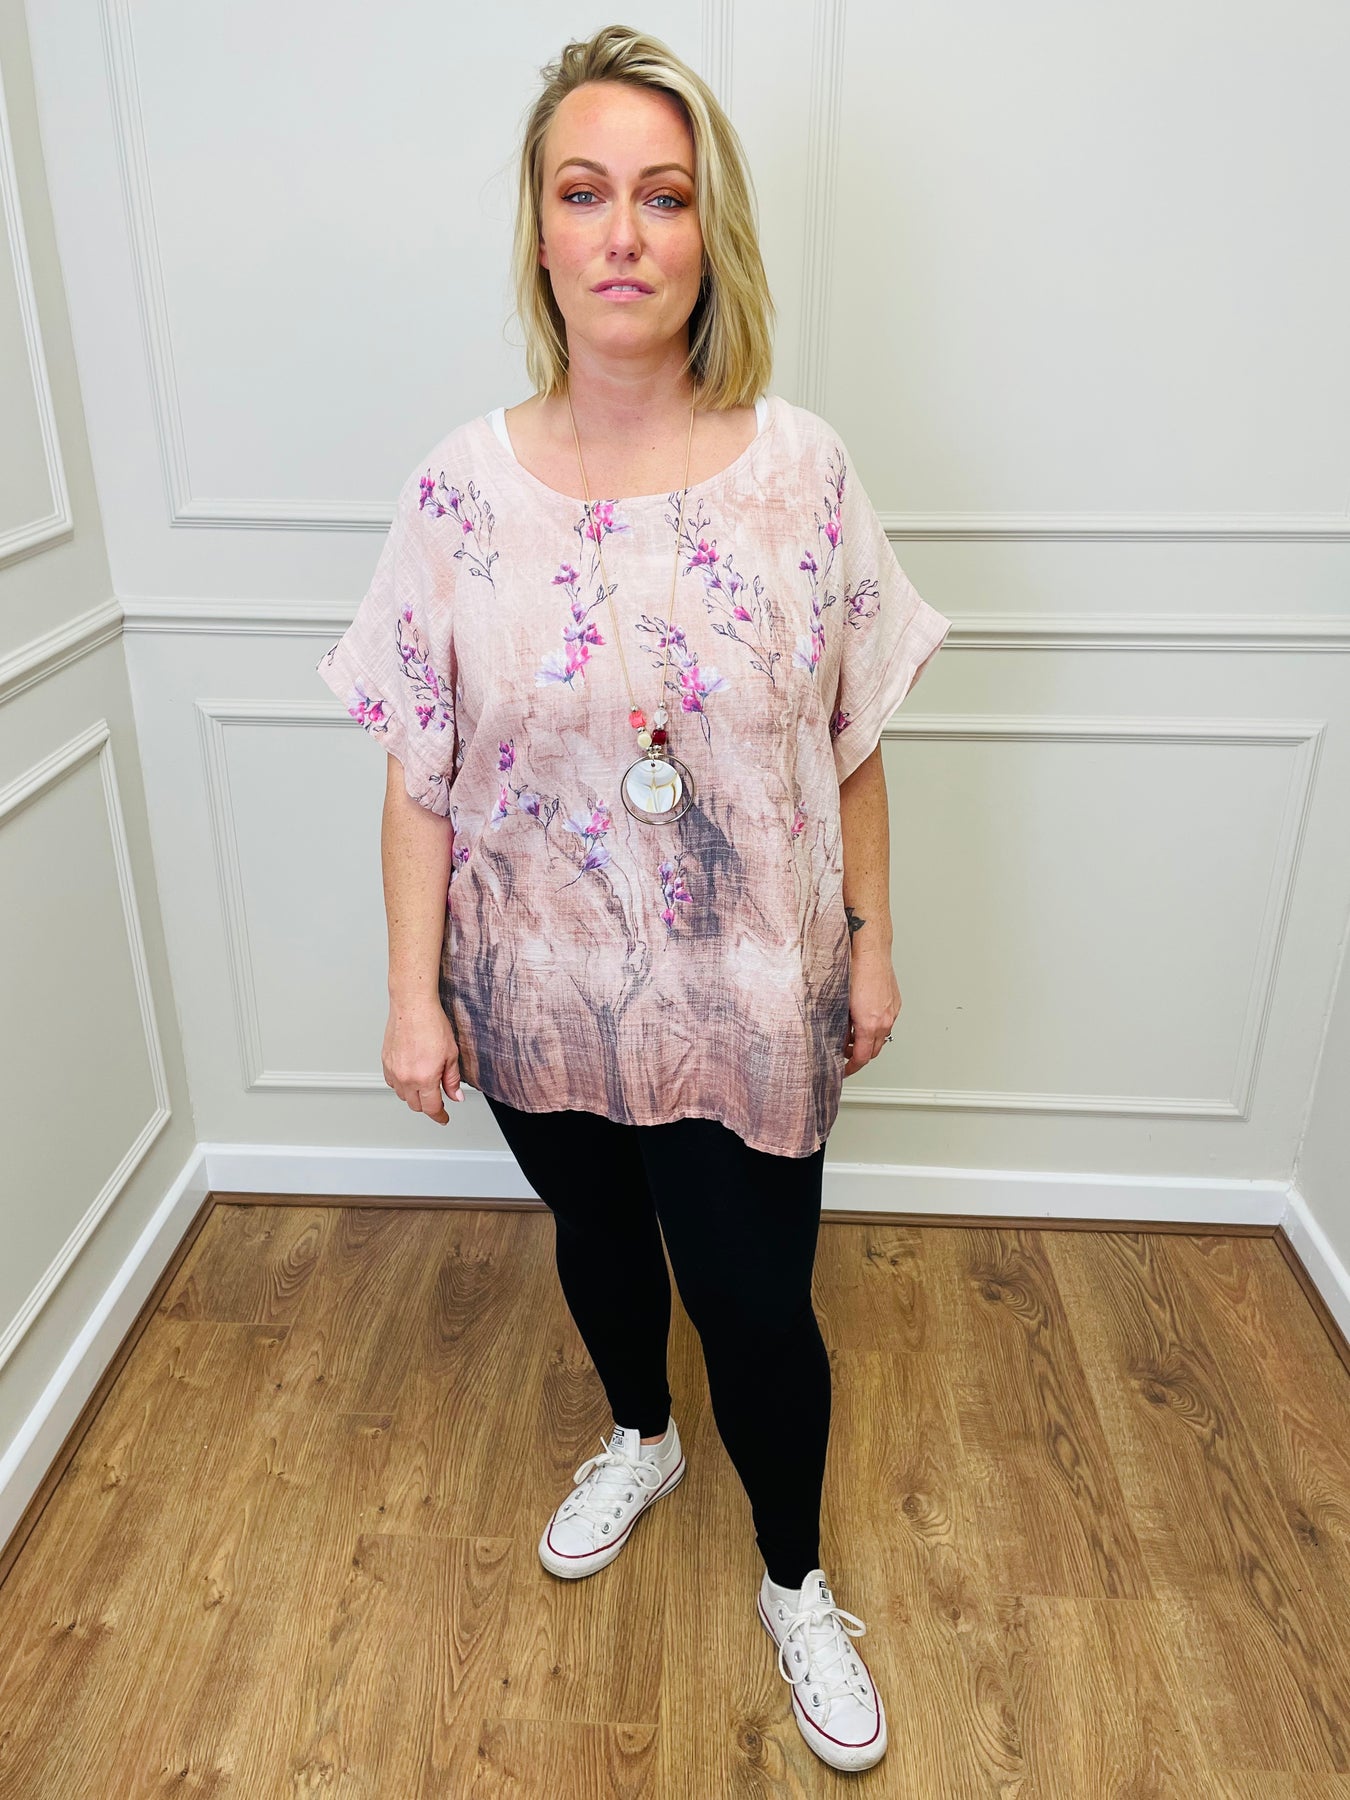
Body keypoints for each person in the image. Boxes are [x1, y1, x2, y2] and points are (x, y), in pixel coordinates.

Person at [316, 24, 950, 1775]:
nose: (621, 232)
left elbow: (852, 735)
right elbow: (418, 763)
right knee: (596, 1245)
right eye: (583, 192)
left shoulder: (800, 470)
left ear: (705, 234)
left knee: (755, 1301)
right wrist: (410, 995)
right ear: (537, 231)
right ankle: (638, 1436)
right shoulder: (457, 493)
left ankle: (795, 1577)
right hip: (530, 982)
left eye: (661, 197)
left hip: (750, 989)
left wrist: (874, 942)